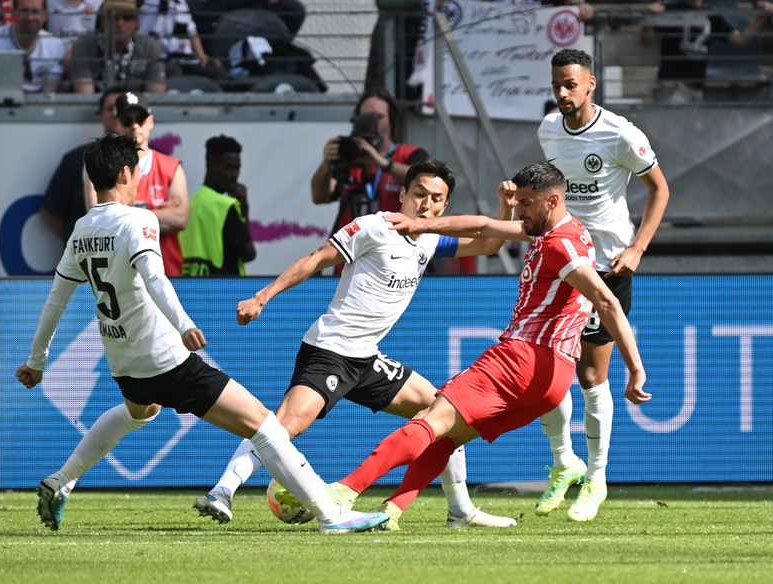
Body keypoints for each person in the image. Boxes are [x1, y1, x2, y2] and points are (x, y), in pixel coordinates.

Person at [16, 133, 390, 535]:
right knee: (264, 425)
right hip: (165, 359)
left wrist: (37, 361)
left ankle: (60, 481)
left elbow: (56, 300)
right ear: (126, 172)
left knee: (139, 411)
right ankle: (331, 516)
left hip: (123, 359)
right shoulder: (138, 220)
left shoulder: (82, 229)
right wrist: (184, 325)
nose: (140, 176)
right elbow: (155, 277)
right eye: (138, 169)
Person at [193, 158, 519, 530]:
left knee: (443, 412)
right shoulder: (372, 228)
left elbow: (491, 244)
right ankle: (222, 491)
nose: (425, 203)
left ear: (444, 206)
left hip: (367, 359)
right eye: (418, 194)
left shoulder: (429, 239)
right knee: (286, 425)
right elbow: (317, 259)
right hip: (331, 351)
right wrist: (262, 297)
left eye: (435, 198)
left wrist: (505, 206)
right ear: (402, 195)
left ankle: (459, 511)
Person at [327, 160, 650, 529]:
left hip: (523, 357)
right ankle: (392, 511)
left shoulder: (561, 247)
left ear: (552, 201)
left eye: (527, 203)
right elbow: (483, 227)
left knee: (430, 420)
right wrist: (427, 223)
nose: (521, 212)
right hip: (553, 380)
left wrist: (636, 368)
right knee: (447, 437)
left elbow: (606, 302)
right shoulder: (570, 231)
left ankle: (341, 492)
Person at [535, 48, 669, 521]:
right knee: (546, 377)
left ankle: (596, 476)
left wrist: (637, 249)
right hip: (560, 262)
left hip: (607, 266)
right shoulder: (549, 130)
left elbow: (660, 189)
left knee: (591, 376)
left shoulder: (621, 134)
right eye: (557, 86)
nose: (563, 93)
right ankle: (563, 463)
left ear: (591, 83)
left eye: (571, 84)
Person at [85, 90, 189, 276]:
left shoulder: (171, 167)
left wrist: (124, 211)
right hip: (122, 278)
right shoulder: (100, 166)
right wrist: (154, 213)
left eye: (140, 119)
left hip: (167, 273)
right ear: (116, 123)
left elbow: (180, 219)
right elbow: (99, 220)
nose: (134, 126)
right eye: (127, 120)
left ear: (150, 121)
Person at [312, 88, 430, 246]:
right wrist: (327, 163)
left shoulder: (409, 154)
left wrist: (382, 163)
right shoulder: (348, 157)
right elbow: (320, 197)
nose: (372, 123)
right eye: (365, 117)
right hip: (352, 256)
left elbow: (427, 182)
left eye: (379, 117)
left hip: (397, 253)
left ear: (392, 120)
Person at [40, 85, 125, 244]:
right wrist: (78, 242)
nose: (115, 114)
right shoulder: (76, 159)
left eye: (121, 108)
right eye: (110, 109)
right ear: (100, 115)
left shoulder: (151, 159)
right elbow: (50, 213)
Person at [641, 0, 766, 104]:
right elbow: (647, 41)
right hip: (672, 84)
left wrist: (760, 18)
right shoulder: (668, 10)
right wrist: (649, 21)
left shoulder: (711, 15)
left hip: (697, 87)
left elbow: (740, 40)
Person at [178, 135, 255, 276]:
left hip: (190, 288)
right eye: (229, 168)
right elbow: (249, 254)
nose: (235, 174)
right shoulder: (225, 205)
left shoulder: (191, 203)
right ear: (210, 165)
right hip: (224, 290)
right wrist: (244, 209)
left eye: (237, 168)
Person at [66, 0, 167, 94]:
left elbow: (156, 95)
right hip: (97, 110)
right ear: (102, 20)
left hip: (137, 109)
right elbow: (85, 96)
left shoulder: (150, 47)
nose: (120, 23)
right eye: (114, 17)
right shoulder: (84, 45)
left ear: (137, 21)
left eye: (127, 17)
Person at [0, 0, 66, 93]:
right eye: (24, 11)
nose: (30, 17)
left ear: (45, 16)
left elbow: (47, 95)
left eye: (35, 11)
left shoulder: (55, 46)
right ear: (13, 13)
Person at [137, 0, 223, 79]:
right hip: (162, 58)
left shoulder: (182, 3)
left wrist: (202, 55)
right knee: (175, 71)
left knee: (215, 70)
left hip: (185, 58)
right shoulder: (149, 3)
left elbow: (192, 32)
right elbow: (142, 32)